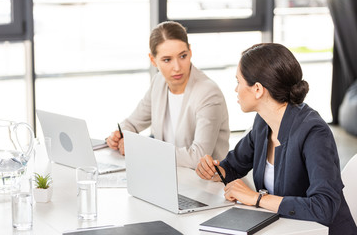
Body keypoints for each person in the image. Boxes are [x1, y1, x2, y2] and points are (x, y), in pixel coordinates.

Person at [196, 43, 357, 234]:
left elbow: (324, 207)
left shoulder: (314, 132)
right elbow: (232, 166)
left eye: (238, 81)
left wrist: (256, 198)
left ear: (257, 89)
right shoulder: (263, 122)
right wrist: (215, 170)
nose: (235, 89)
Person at [107, 21, 230, 169]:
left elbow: (199, 157)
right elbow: (132, 123)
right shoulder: (159, 82)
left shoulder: (208, 93)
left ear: (190, 52)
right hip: (166, 175)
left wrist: (141, 149)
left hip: (203, 184)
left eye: (183, 56)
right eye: (167, 60)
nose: (177, 67)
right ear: (153, 60)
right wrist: (118, 136)